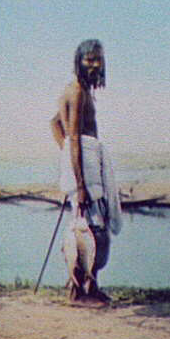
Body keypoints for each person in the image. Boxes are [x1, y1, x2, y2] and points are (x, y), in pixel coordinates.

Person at [50, 39, 122, 304]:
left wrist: (68, 160)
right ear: (78, 61)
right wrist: (78, 181)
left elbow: (55, 124)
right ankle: (80, 290)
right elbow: (74, 138)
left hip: (86, 166)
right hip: (85, 172)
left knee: (91, 228)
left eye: (98, 59)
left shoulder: (81, 92)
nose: (94, 64)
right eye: (88, 59)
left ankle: (86, 287)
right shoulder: (77, 91)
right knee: (92, 232)